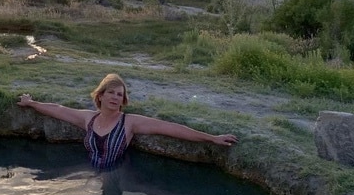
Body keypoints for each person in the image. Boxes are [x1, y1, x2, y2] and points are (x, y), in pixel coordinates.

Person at [17, 73, 238, 170]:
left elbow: (171, 128)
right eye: (111, 93)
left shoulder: (130, 122)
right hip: (90, 169)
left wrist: (212, 138)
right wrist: (32, 103)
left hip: (117, 172)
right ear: (100, 95)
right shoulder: (88, 118)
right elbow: (59, 110)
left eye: (119, 94)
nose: (115, 97)